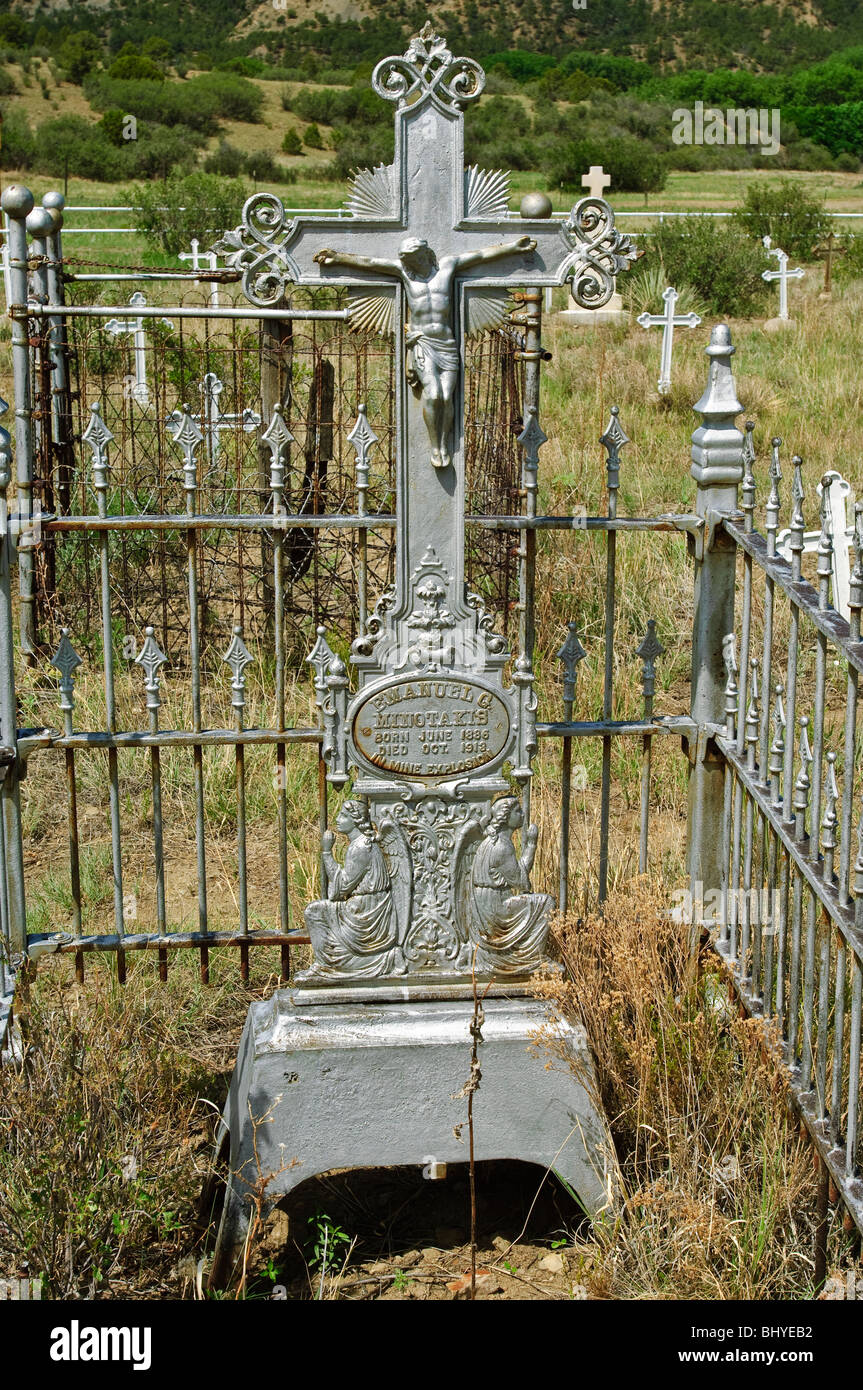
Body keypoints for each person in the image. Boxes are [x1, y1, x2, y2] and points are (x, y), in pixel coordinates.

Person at [314, 233, 536, 469]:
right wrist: (338, 257)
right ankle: (435, 446)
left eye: (416, 260)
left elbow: (480, 255)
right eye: (409, 261)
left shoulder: (447, 267)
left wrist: (513, 247)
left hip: (446, 343)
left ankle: (444, 443)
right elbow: (371, 263)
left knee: (447, 396)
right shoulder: (404, 272)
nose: (413, 265)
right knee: (433, 394)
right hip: (422, 343)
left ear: (425, 255)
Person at [304, 799, 405, 977]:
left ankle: (326, 964)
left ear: (356, 820)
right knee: (318, 911)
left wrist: (327, 852)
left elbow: (341, 888)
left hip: (367, 910)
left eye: (343, 815)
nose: (338, 819)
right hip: (370, 904)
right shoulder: (364, 843)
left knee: (313, 911)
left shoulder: (360, 847)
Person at [468, 796, 551, 974]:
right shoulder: (502, 847)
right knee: (546, 903)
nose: (522, 815)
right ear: (506, 817)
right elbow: (521, 881)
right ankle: (530, 957)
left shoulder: (493, 840)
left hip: (486, 902)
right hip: (494, 909)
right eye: (517, 811)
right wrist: (531, 844)